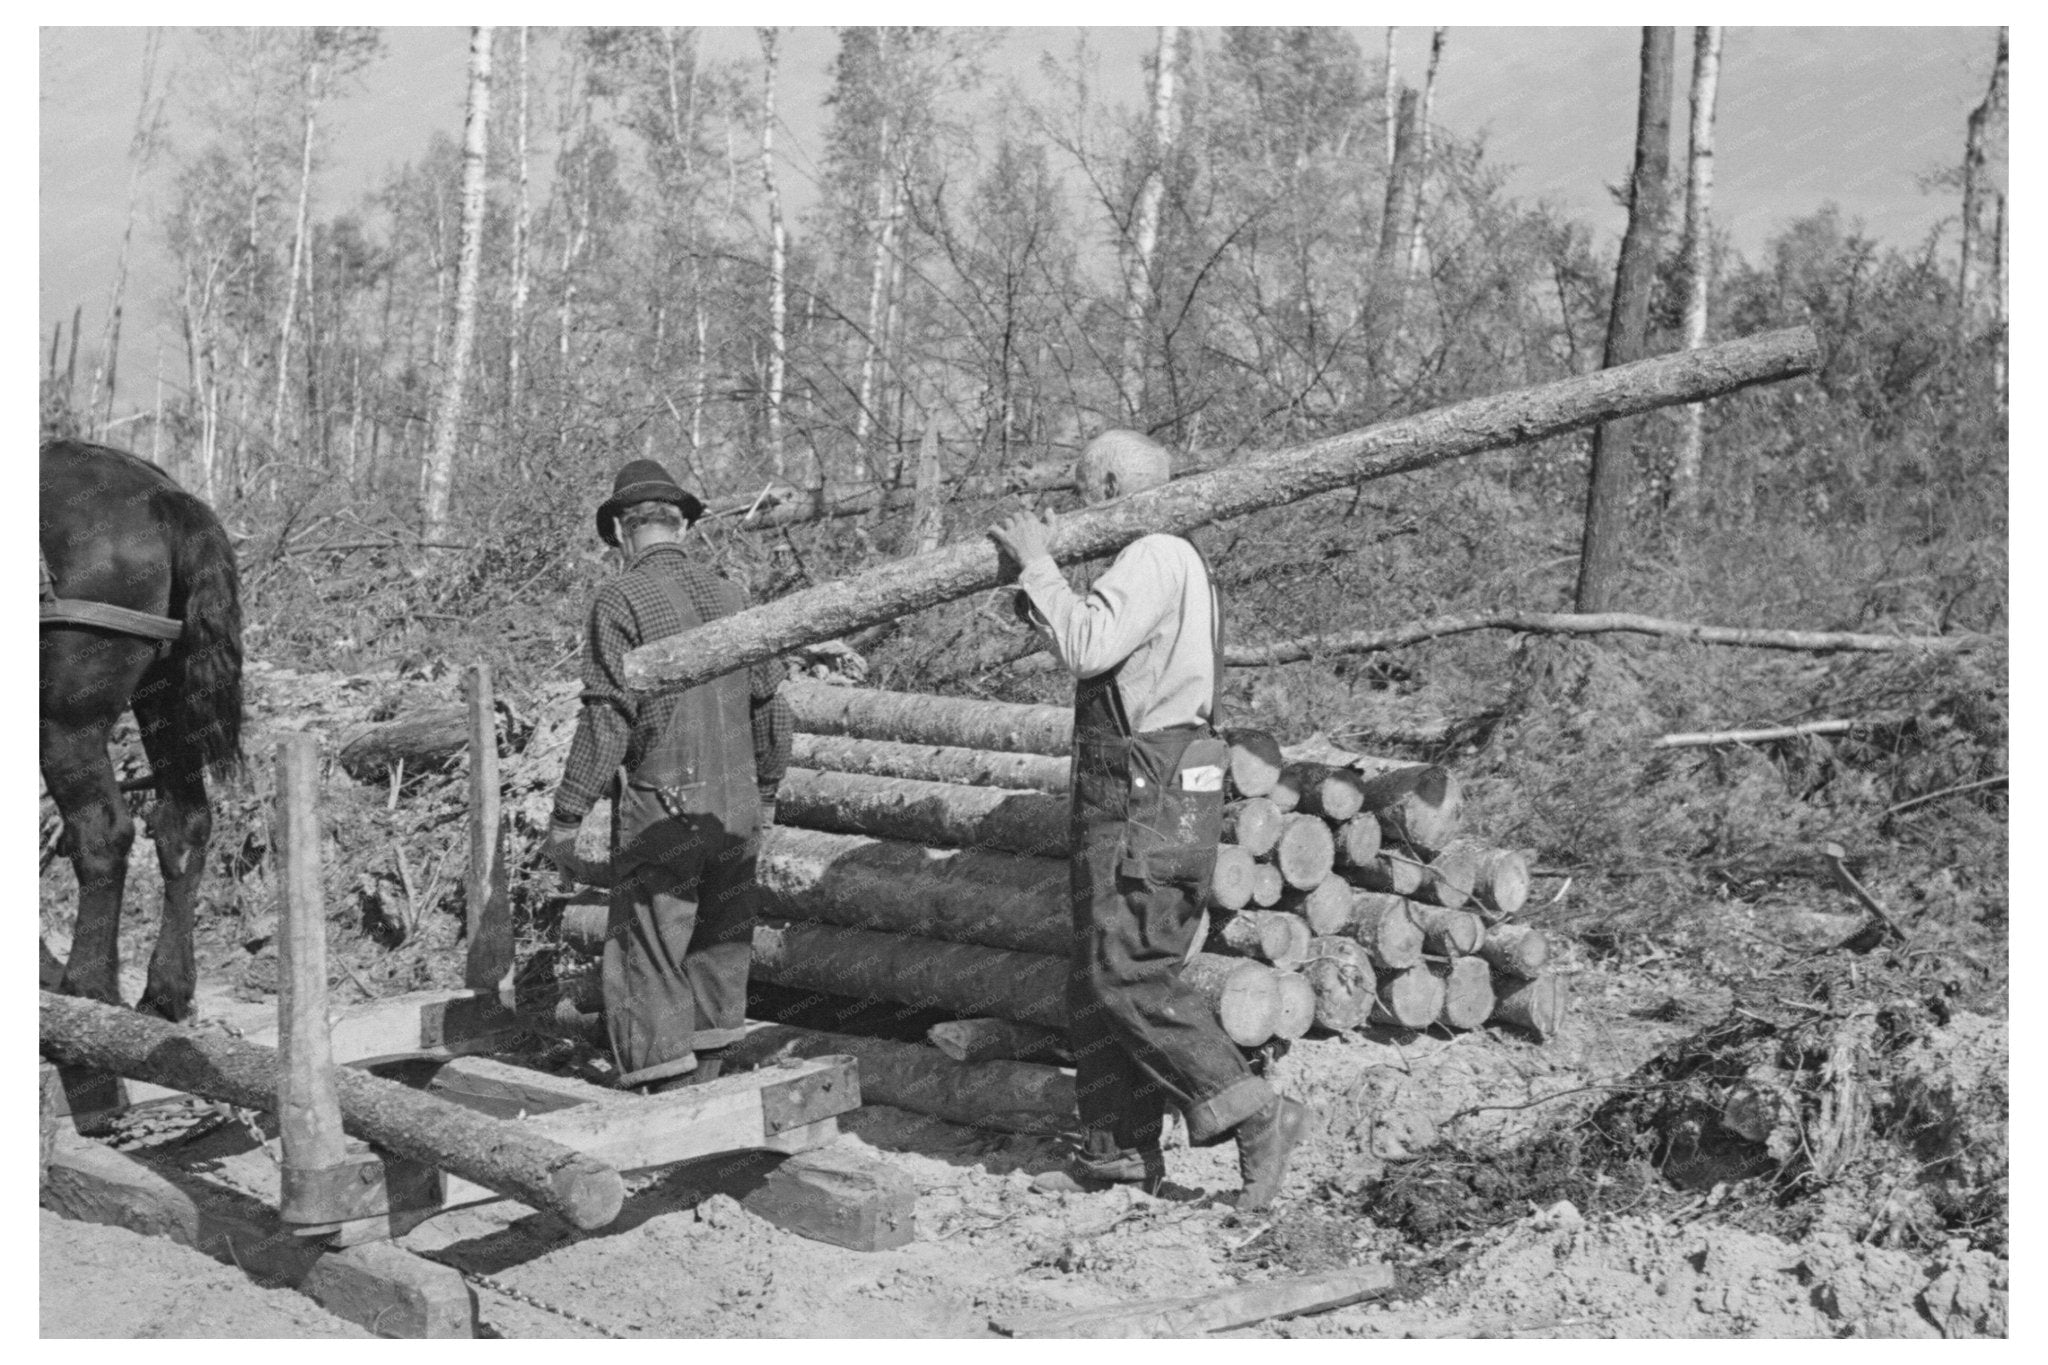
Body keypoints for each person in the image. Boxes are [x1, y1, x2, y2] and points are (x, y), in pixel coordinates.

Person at [988, 429, 1307, 1210]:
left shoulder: (1154, 551)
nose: (1073, 509)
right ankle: (1117, 1154)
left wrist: (1040, 562)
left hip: (1146, 788)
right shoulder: (1171, 560)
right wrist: (1032, 589)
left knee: (1123, 968)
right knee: (1097, 972)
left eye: (1078, 491)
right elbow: (1104, 637)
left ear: (1104, 484)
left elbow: (1088, 644)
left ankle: (1253, 1107)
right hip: (1161, 782)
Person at [545, 459, 792, 1094]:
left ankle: (666, 1097)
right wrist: (764, 794)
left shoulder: (619, 598)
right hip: (736, 805)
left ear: (622, 535)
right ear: (681, 525)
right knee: (719, 942)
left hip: (667, 807)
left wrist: (569, 815)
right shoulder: (731, 595)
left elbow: (608, 718)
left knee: (647, 949)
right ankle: (710, 1083)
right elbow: (771, 706)